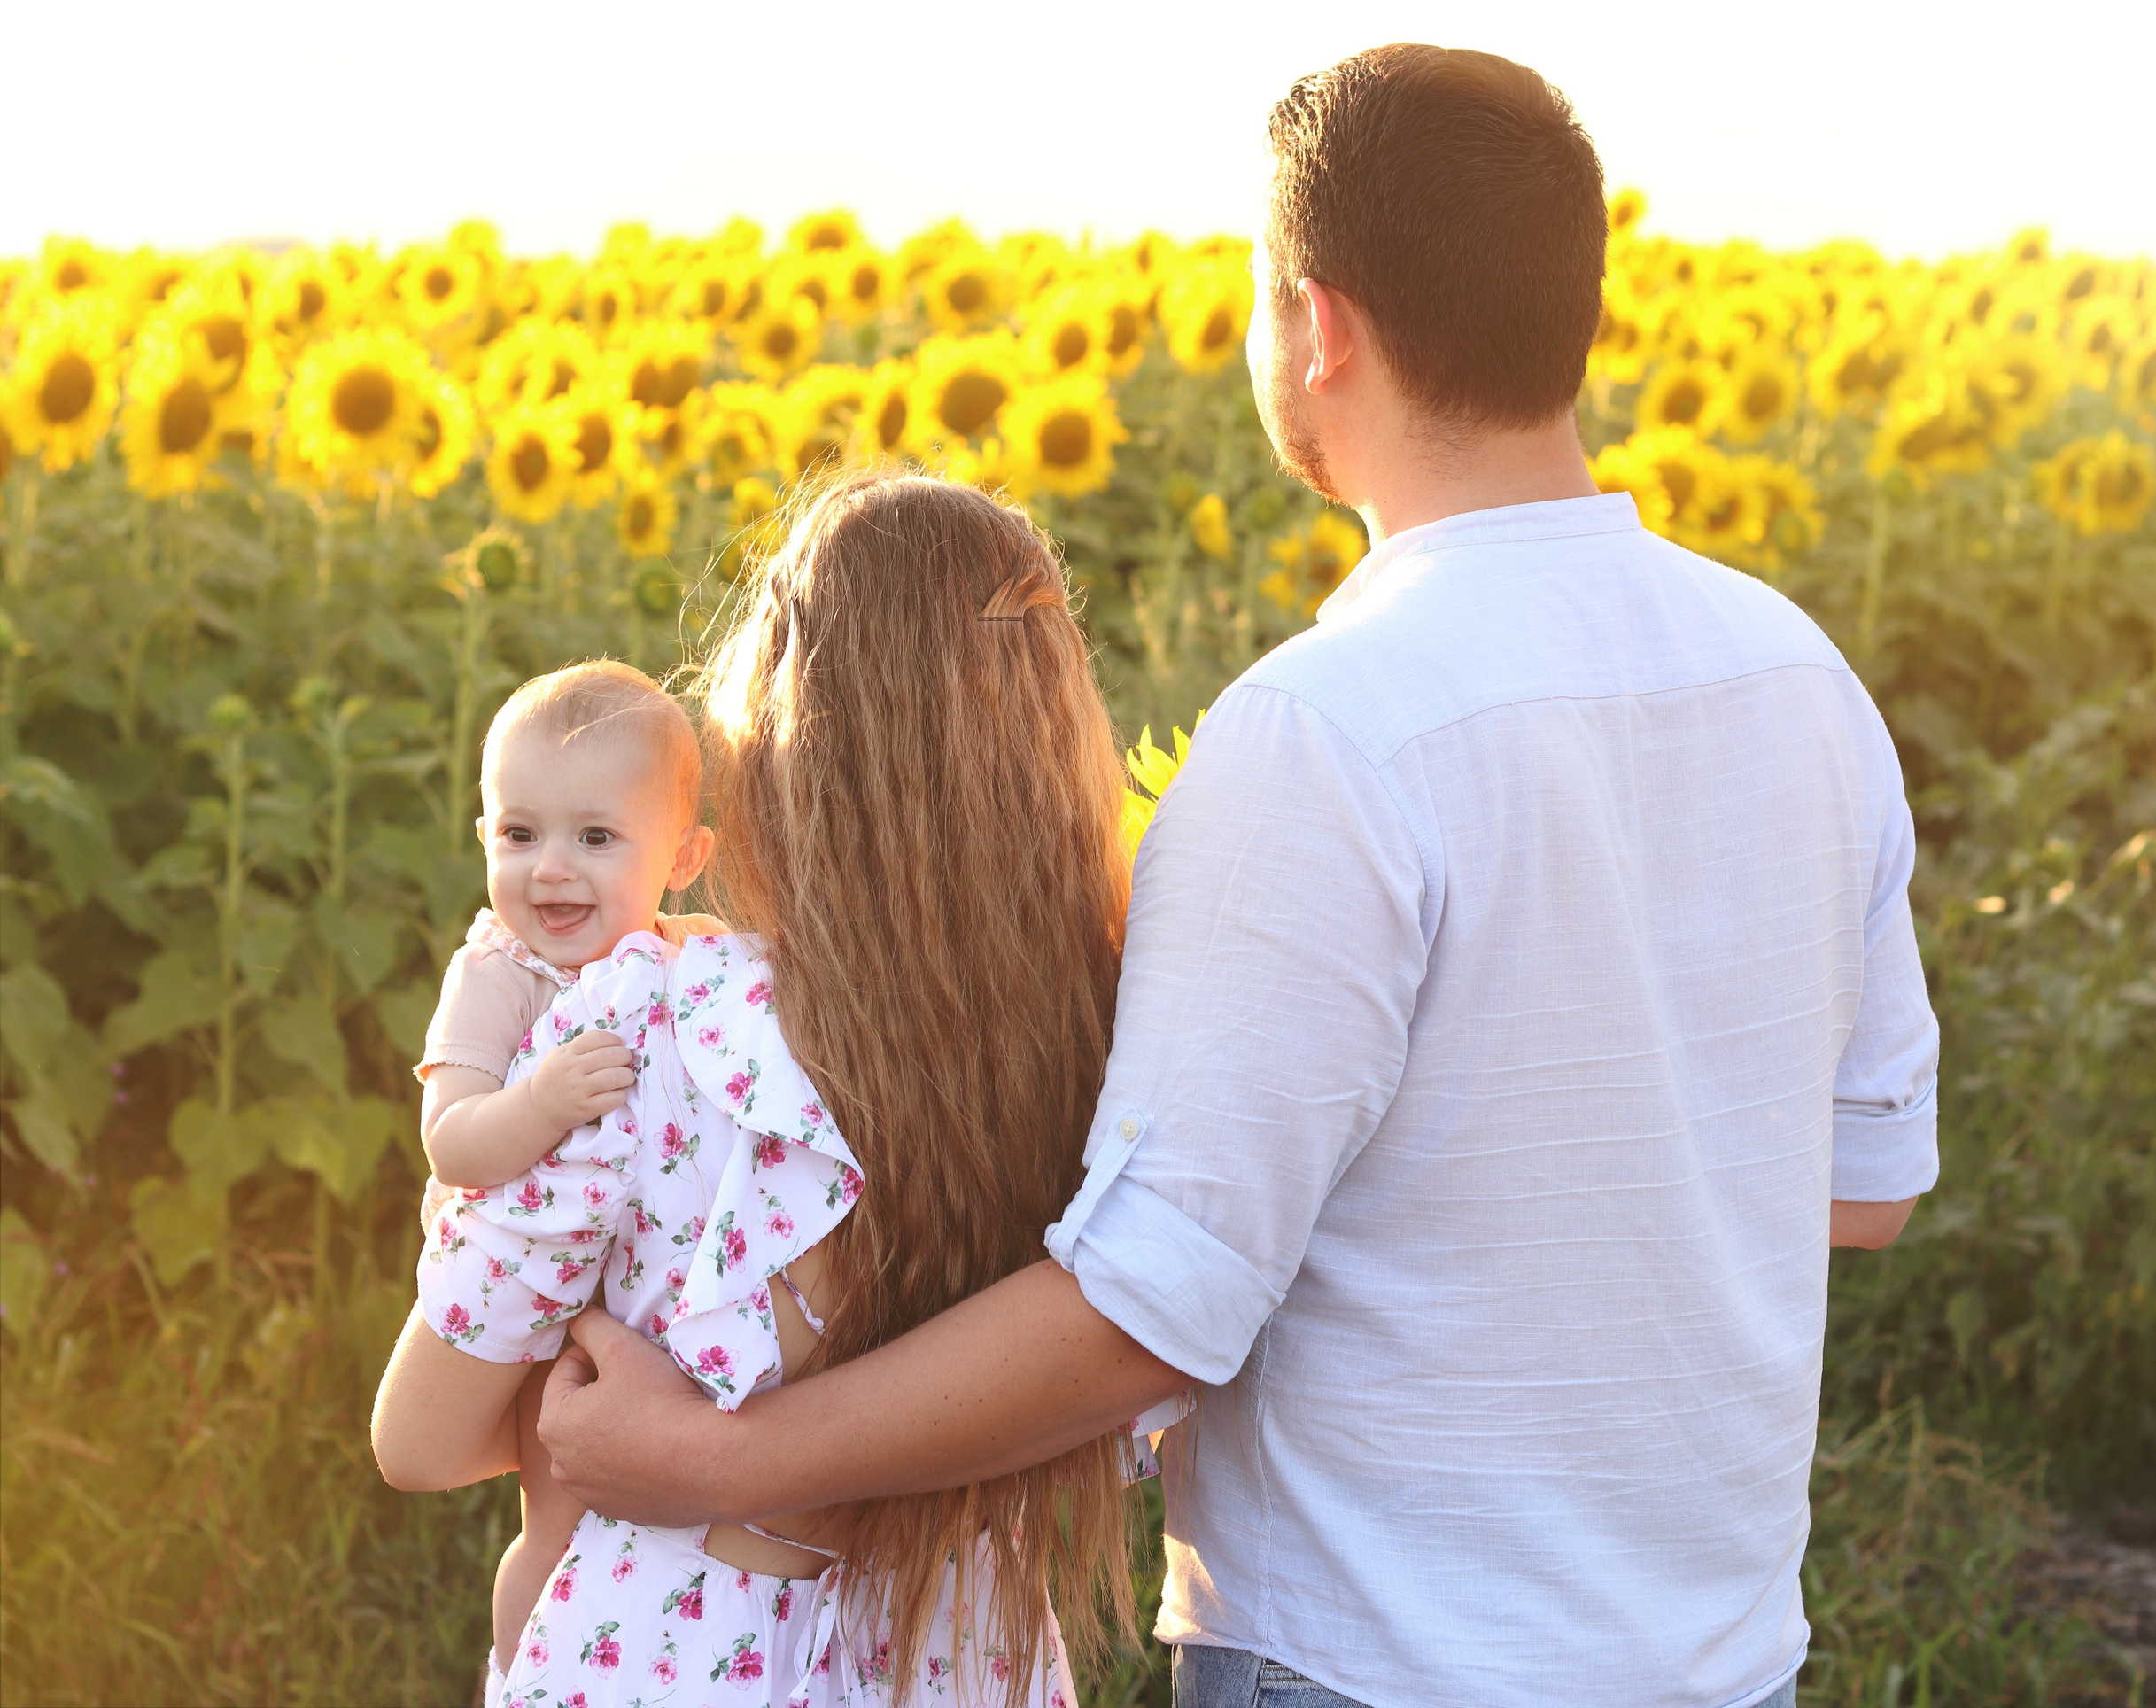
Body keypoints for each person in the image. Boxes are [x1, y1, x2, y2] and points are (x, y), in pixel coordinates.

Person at [536, 43, 1940, 1708]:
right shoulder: (1799, 678)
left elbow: (1143, 1314)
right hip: (1720, 1661)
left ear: (1317, 327)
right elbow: (1864, 1185)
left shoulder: (1325, 733)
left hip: (1377, 1658)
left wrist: (718, 1461)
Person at [374, 474, 1164, 1707]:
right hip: (956, 1661)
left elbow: (418, 1441)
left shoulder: (658, 1027)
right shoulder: (1111, 1042)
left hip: (676, 1654)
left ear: (781, 734)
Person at [407, 659, 724, 1686]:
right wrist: (540, 1100)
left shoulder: (690, 955)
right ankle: (525, 1671)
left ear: (682, 856)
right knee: (558, 1517)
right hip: (540, 1296)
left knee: (642, 1522)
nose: (550, 867)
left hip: (649, 1288)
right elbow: (451, 1138)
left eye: (594, 837)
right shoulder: (501, 970)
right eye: (519, 832)